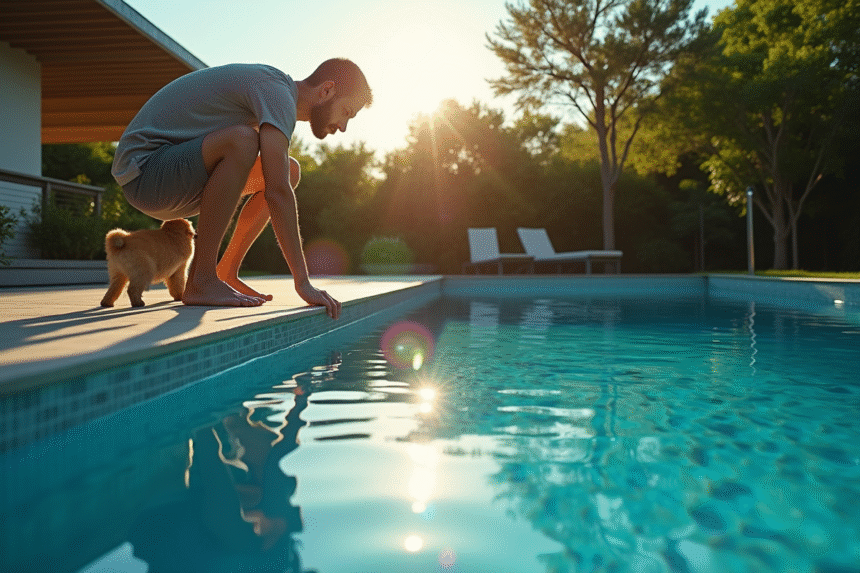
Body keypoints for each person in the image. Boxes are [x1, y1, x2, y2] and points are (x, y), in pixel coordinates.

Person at [111, 58, 373, 317]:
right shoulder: (277, 92)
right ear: (327, 90)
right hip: (145, 171)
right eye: (346, 112)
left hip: (175, 177)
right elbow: (277, 191)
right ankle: (202, 280)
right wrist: (303, 284)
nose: (343, 126)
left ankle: (226, 270)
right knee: (243, 141)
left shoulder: (274, 96)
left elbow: (279, 180)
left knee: (288, 168)